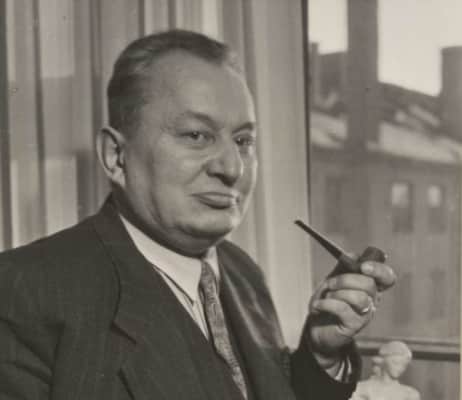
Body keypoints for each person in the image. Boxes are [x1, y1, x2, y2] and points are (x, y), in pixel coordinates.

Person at [0, 29, 396, 400]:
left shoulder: (243, 273)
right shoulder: (23, 292)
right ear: (116, 156)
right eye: (196, 135)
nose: (233, 168)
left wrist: (322, 352)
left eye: (243, 140)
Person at [351, 341, 420, 400]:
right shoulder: (361, 389)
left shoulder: (410, 394)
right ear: (383, 362)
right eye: (395, 363)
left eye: (404, 365)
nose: (400, 368)